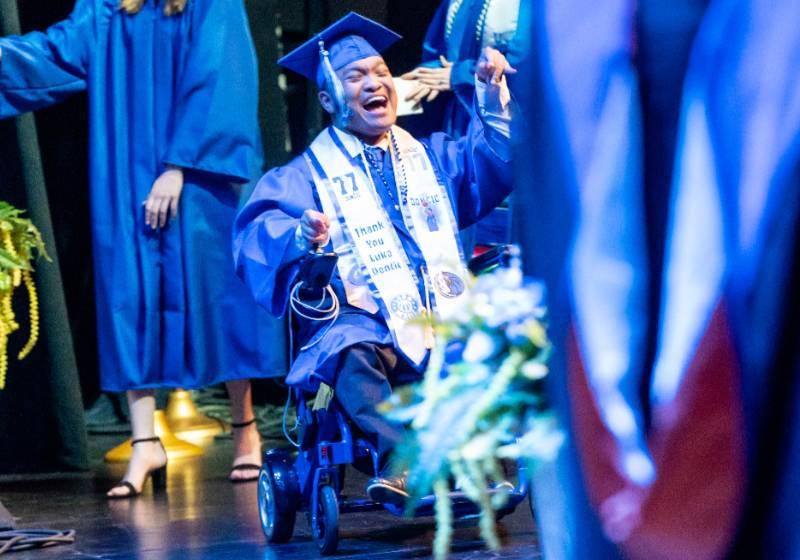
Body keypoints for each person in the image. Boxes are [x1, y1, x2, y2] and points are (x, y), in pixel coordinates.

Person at [0, 0, 285, 496]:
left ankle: (245, 431)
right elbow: (51, 55)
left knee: (220, 298)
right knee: (128, 293)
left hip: (201, 176)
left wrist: (178, 166)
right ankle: (144, 441)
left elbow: (217, 75)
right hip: (128, 170)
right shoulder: (108, 8)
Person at [233, 12, 515, 504]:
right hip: (362, 319)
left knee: (479, 342)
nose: (374, 82)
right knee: (349, 351)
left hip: (439, 312)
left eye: (381, 71)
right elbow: (259, 229)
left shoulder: (429, 157)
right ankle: (402, 464)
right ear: (328, 100)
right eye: (355, 76)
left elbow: (490, 165)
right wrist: (299, 237)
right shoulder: (307, 175)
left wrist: (492, 100)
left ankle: (482, 464)